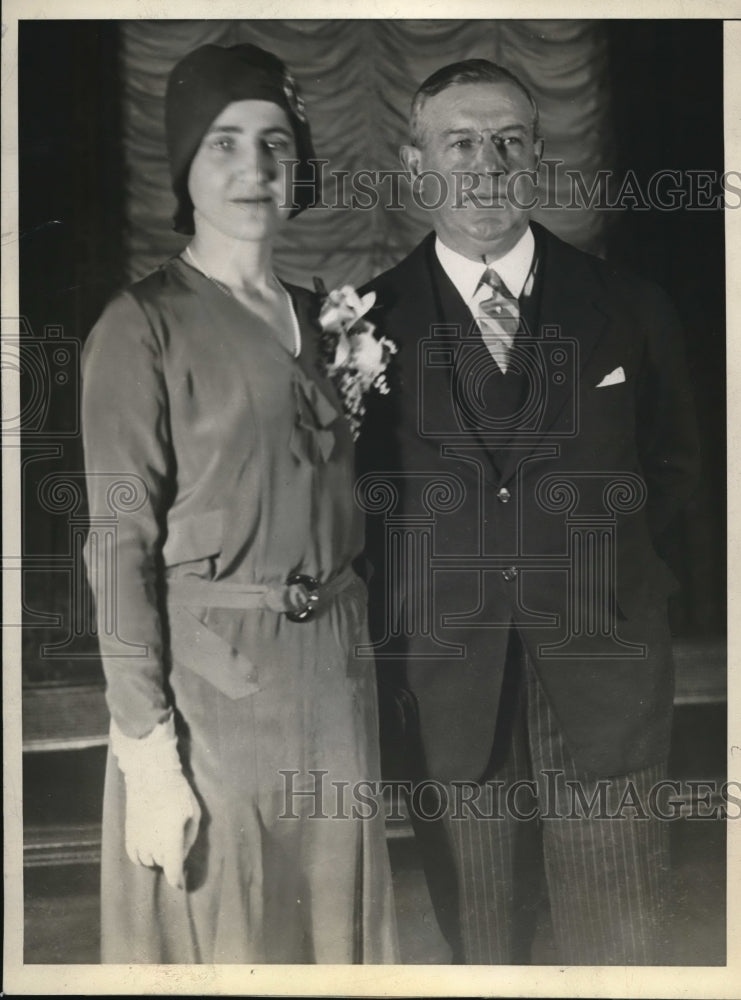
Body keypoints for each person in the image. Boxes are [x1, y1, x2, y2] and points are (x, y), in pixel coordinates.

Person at [358, 59, 700, 965]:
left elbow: (678, 473)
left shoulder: (628, 306)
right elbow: (360, 511)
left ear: (540, 157)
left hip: (606, 673)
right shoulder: (361, 326)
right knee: (483, 953)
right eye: (460, 142)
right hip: (449, 691)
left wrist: (612, 584)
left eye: (509, 141)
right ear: (415, 163)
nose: (487, 163)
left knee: (624, 950)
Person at [82, 42, 398, 964]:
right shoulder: (139, 326)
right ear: (185, 166)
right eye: (223, 143)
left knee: (335, 941)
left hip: (335, 680)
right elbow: (118, 547)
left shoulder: (330, 317)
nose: (253, 169)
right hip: (212, 687)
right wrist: (147, 751)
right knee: (226, 933)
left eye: (274, 143)